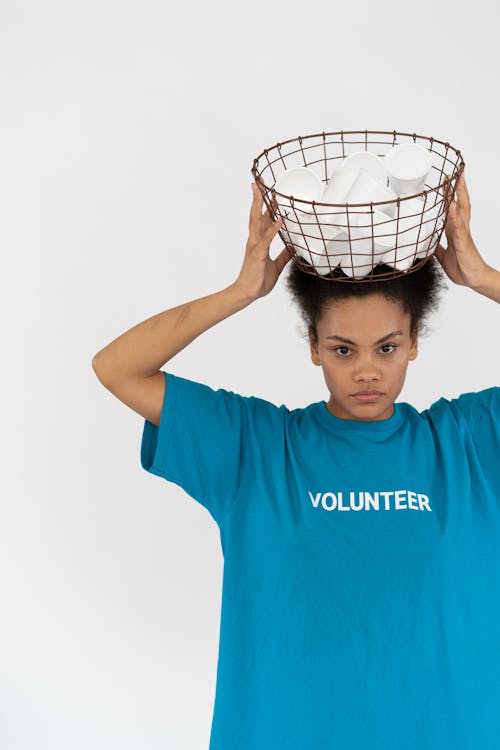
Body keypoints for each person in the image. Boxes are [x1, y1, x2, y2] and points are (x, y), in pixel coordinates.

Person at [92, 170, 500, 750]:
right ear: (313, 347)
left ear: (414, 343)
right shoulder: (255, 448)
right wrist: (240, 293)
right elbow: (117, 367)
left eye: (386, 347)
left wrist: (482, 277)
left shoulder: (468, 443)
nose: (366, 370)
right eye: (342, 349)